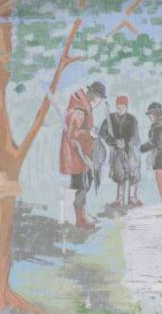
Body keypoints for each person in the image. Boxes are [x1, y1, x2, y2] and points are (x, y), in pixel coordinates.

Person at [60, 81, 107, 229]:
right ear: (95, 96)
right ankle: (79, 219)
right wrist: (89, 134)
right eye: (100, 98)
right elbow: (73, 133)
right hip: (77, 155)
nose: (99, 102)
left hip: (80, 154)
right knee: (80, 186)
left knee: (82, 184)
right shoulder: (80, 110)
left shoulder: (82, 106)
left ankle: (81, 215)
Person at [100, 95, 143, 209]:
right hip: (116, 150)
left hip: (130, 150)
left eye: (122, 107)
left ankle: (132, 198)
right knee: (119, 174)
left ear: (126, 107)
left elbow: (135, 136)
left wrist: (126, 142)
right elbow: (103, 133)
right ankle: (119, 199)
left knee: (133, 172)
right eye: (118, 107)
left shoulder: (131, 119)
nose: (120, 110)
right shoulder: (110, 119)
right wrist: (113, 141)